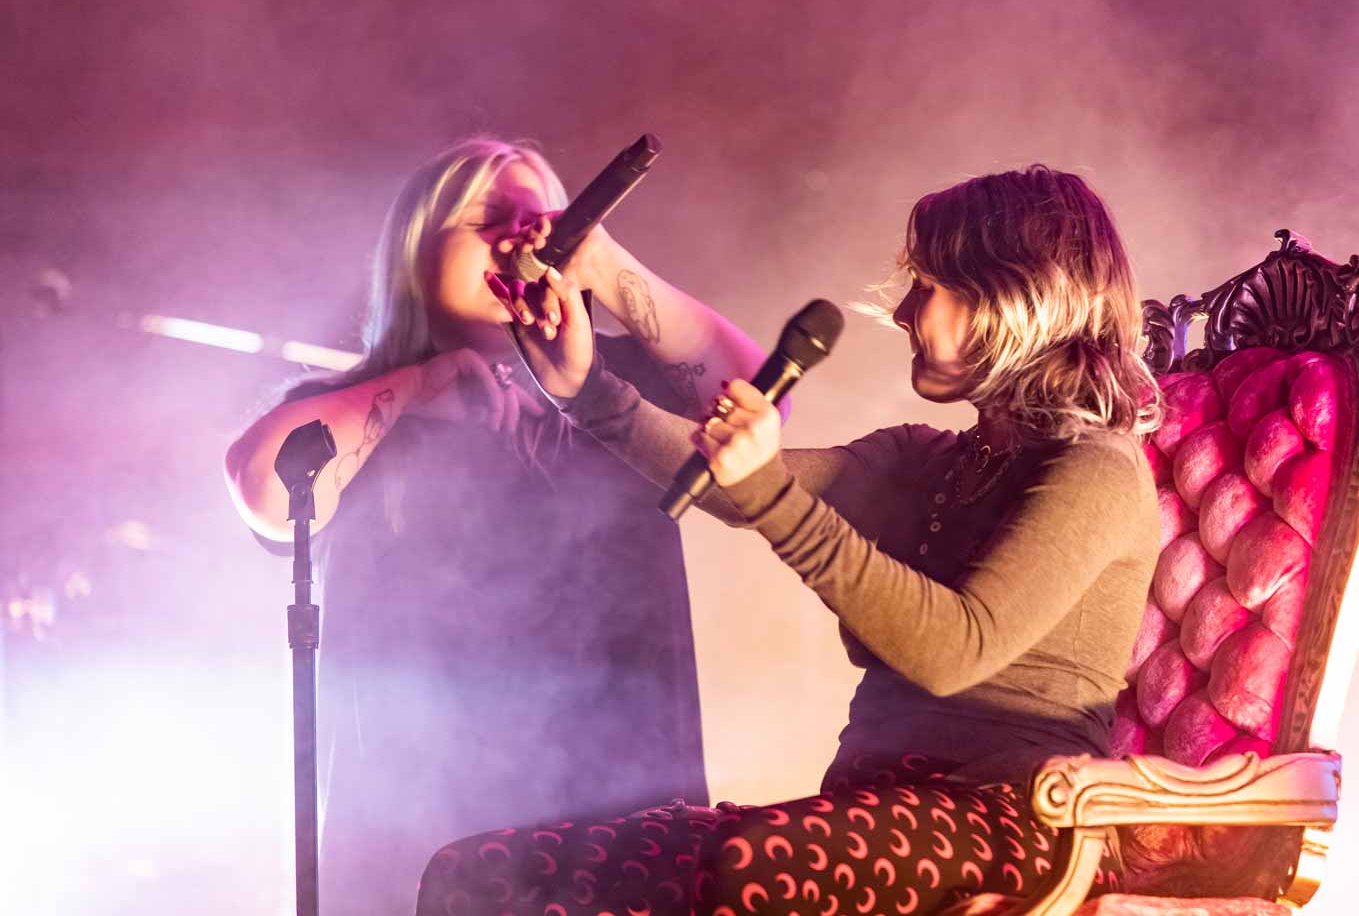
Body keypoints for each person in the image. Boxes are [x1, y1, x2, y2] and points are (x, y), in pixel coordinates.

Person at [415, 165, 1164, 915]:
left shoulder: (1099, 469)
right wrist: (587, 392)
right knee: (484, 872)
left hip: (1027, 828)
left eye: (929, 287)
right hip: (872, 811)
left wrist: (768, 495)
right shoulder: (923, 458)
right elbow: (735, 487)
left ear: (1014, 298)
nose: (905, 312)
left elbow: (955, 650)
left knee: (751, 863)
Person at [223, 138, 778, 915]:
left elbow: (762, 397)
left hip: (629, 828)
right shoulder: (366, 409)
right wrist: (422, 385)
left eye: (539, 220)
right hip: (422, 834)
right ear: (416, 249)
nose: (519, 238)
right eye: (487, 218)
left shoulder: (615, 385)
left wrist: (604, 261)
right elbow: (263, 485)